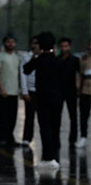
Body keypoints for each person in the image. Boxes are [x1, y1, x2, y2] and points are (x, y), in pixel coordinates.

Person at [23, 32, 62, 169]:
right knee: (55, 126)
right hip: (57, 98)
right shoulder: (58, 60)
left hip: (42, 98)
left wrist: (35, 54)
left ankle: (47, 156)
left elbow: (26, 69)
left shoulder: (38, 60)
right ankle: (55, 155)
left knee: (44, 127)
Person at [0, 36, 21, 147]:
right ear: (4, 43)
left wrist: (19, 89)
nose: (10, 44)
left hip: (14, 91)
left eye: (12, 42)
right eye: (8, 42)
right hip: (3, 91)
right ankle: (1, 137)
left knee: (12, 116)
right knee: (2, 116)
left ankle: (10, 137)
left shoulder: (17, 58)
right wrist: (1, 88)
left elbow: (18, 74)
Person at [57, 38, 80, 146]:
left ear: (69, 47)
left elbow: (79, 75)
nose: (64, 48)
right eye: (62, 46)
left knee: (73, 116)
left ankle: (73, 139)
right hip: (59, 90)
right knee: (57, 116)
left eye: (66, 46)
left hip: (71, 90)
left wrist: (78, 88)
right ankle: (56, 138)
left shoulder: (75, 60)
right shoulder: (57, 59)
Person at [20, 36, 40, 146]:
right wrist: (25, 91)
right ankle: (27, 138)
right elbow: (23, 74)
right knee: (29, 116)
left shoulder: (45, 57)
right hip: (30, 90)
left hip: (41, 91)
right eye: (34, 43)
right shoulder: (26, 57)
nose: (35, 45)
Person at [77, 39, 91, 148]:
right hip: (86, 90)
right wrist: (79, 90)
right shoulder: (84, 59)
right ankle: (83, 136)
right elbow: (80, 75)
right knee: (84, 115)